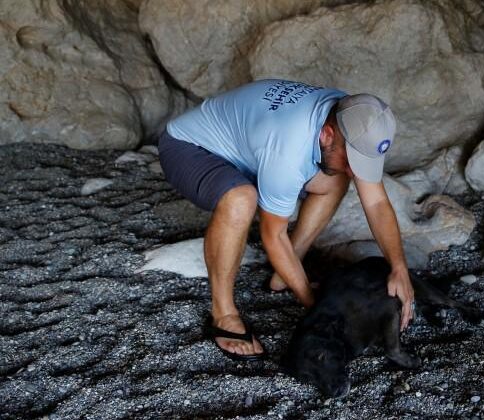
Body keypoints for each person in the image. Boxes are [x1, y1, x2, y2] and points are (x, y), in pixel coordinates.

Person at [157, 79, 415, 360]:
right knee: (240, 199)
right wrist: (314, 304)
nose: (356, 173)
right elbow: (272, 235)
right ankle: (223, 314)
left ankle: (286, 273)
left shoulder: (355, 117)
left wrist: (398, 266)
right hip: (189, 147)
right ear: (327, 135)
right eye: (352, 160)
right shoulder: (288, 149)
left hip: (252, 149)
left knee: (334, 177)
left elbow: (376, 202)